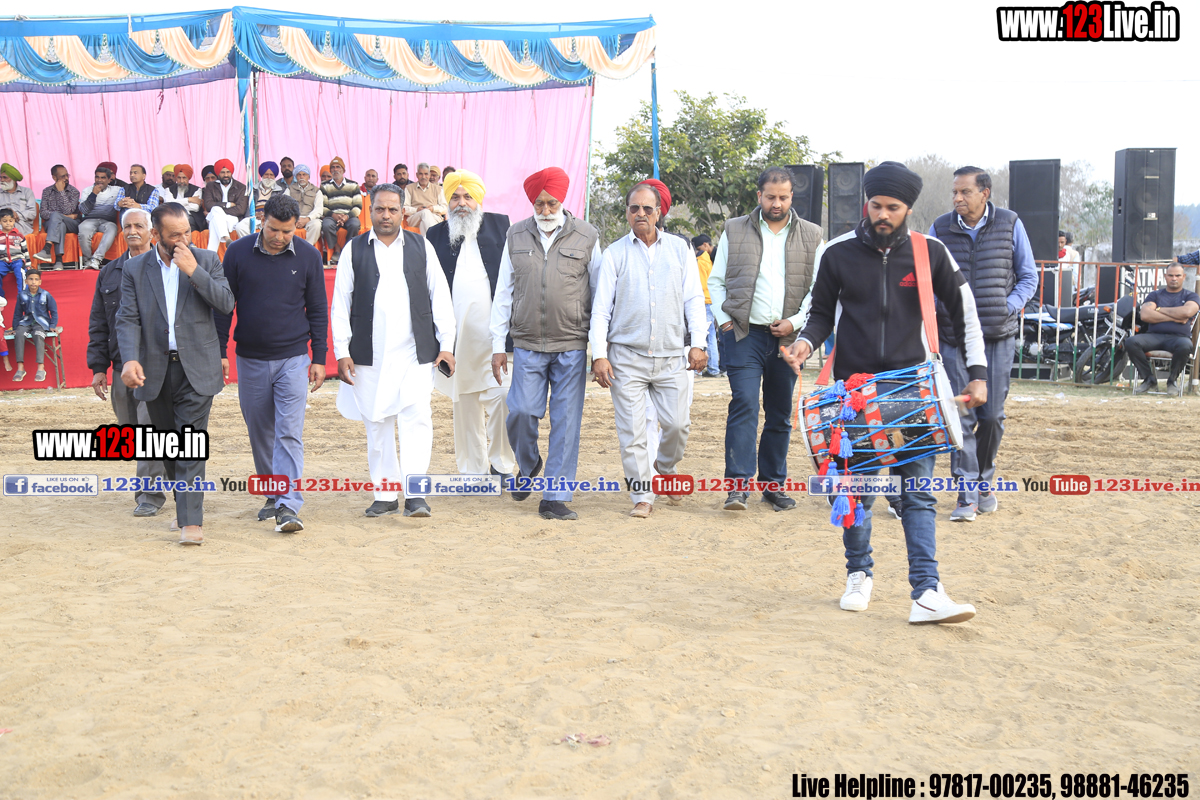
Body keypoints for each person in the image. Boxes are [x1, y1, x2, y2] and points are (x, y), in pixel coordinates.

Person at [784, 160, 985, 625]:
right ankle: (858, 573)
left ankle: (927, 592)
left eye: (892, 208)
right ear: (866, 203)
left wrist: (977, 373)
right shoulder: (836, 252)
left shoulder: (931, 252)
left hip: (913, 394)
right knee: (856, 492)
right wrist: (805, 343)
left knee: (918, 494)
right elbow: (820, 313)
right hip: (853, 395)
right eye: (876, 205)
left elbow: (965, 313)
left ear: (908, 208)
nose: (882, 214)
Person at [331, 183, 456, 518]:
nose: (385, 215)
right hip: (367, 355)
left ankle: (416, 494)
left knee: (417, 420)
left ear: (403, 211)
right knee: (377, 423)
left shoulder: (421, 246)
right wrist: (342, 351)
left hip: (415, 352)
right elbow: (340, 304)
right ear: (370, 211)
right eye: (379, 209)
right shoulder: (354, 249)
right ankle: (385, 494)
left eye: (392, 209)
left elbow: (440, 297)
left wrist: (446, 345)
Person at [116, 203, 235, 545]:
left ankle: (191, 521)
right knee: (168, 445)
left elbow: (226, 303)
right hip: (154, 370)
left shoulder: (207, 260)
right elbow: (128, 318)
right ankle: (185, 505)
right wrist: (129, 359)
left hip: (197, 367)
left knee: (190, 443)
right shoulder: (135, 268)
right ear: (156, 235)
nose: (183, 240)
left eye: (187, 233)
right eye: (174, 235)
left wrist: (194, 271)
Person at [708, 166, 823, 512]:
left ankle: (773, 487)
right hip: (743, 335)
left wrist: (795, 323)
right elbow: (716, 281)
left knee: (779, 413)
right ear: (759, 196)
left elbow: (818, 290)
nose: (777, 203)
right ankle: (737, 487)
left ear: (791, 197)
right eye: (770, 197)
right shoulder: (734, 229)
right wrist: (725, 323)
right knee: (744, 403)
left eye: (783, 197)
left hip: (789, 340)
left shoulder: (813, 235)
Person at [590, 182, 707, 518]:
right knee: (633, 433)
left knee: (678, 425)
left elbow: (693, 299)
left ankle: (665, 466)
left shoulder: (680, 249)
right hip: (626, 358)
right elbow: (601, 310)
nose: (640, 214)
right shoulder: (614, 254)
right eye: (634, 208)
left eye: (647, 208)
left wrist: (697, 344)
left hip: (671, 357)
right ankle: (643, 495)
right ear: (627, 213)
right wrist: (599, 355)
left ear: (658, 213)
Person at [490, 167, 601, 521]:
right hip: (527, 343)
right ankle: (529, 464)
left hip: (571, 343)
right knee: (521, 411)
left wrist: (599, 349)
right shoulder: (516, 235)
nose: (546, 209)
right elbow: (503, 291)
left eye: (552, 203)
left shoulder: (587, 235)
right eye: (539, 203)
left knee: (566, 422)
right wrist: (497, 344)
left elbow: (599, 294)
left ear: (562, 201)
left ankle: (554, 496)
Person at [929, 166, 1037, 521]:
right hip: (953, 337)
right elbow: (927, 277)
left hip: (997, 335)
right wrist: (941, 309)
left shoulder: (1010, 223)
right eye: (954, 192)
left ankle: (984, 482)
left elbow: (1028, 276)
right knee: (960, 414)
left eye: (965, 192)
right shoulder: (940, 228)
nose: (957, 198)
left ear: (984, 193)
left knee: (991, 416)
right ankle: (967, 495)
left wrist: (1009, 306)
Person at [215, 194, 328, 533]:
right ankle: (273, 492)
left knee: (288, 432)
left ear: (297, 227)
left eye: (287, 231)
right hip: (249, 359)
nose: (279, 237)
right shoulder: (237, 253)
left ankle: (288, 505)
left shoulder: (309, 256)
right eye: (273, 229)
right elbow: (224, 307)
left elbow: (317, 309)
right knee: (260, 431)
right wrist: (220, 351)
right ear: (261, 221)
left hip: (294, 358)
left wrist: (319, 357)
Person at [425, 170, 517, 482]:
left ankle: (502, 464)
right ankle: (473, 471)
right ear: (446, 201)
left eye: (468, 197)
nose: (462, 203)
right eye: (455, 197)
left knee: (502, 398)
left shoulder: (501, 226)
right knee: (463, 404)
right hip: (456, 340)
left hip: (495, 339)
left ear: (479, 199)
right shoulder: (435, 235)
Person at [86, 209, 168, 516]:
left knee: (149, 431)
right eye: (128, 226)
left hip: (156, 366)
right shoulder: (109, 273)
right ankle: (166, 471)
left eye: (139, 226)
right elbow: (99, 323)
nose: (133, 231)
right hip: (121, 367)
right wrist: (99, 368)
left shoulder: (166, 266)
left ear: (152, 232)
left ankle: (149, 494)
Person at [1125, 264, 1200, 394]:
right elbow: (1145, 315)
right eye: (1170, 275)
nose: (1174, 278)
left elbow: (1187, 312)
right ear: (1165, 276)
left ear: (1184, 277)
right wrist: (1176, 318)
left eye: (1177, 275)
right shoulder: (1155, 295)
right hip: (1154, 336)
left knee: (1185, 345)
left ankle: (1172, 381)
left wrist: (1158, 309)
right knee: (1131, 342)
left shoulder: (1191, 296)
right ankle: (1149, 379)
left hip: (1178, 338)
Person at [10, 268, 58, 383]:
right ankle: (20, 368)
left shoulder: (46, 294)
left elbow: (54, 311)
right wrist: (15, 328)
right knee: (19, 335)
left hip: (41, 323)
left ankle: (41, 368)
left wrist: (52, 325)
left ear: (40, 282)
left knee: (38, 334)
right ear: (26, 281)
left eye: (36, 279)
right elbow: (17, 313)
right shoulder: (22, 295)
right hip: (26, 322)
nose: (33, 282)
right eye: (31, 279)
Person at [32, 165, 81, 269]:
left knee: (56, 217)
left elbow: (69, 210)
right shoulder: (47, 191)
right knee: (60, 224)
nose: (66, 178)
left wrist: (61, 192)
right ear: (54, 178)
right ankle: (59, 261)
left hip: (72, 224)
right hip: (52, 224)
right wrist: (62, 216)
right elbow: (43, 213)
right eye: (63, 176)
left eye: (67, 175)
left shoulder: (74, 191)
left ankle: (47, 248)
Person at [78, 166, 123, 270]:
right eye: (97, 177)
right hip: (89, 220)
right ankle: (88, 260)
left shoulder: (116, 190)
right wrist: (93, 194)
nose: (99, 180)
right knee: (83, 231)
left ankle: (96, 260)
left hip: (107, 221)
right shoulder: (87, 190)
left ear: (109, 180)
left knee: (112, 229)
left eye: (103, 178)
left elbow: (129, 188)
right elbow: (84, 211)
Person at [320, 157, 361, 265]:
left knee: (355, 224)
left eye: (338, 167)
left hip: (349, 216)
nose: (335, 169)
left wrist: (347, 216)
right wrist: (333, 215)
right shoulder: (324, 186)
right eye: (333, 167)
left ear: (343, 170)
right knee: (326, 225)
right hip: (331, 216)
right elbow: (322, 207)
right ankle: (337, 249)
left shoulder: (353, 185)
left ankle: (347, 250)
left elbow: (358, 206)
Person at [202, 159, 248, 251]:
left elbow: (240, 209)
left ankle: (211, 253)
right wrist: (227, 204)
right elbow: (208, 205)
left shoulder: (241, 187)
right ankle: (226, 238)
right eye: (222, 172)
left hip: (233, 220)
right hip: (217, 219)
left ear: (231, 172)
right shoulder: (211, 186)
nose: (226, 175)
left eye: (228, 172)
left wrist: (219, 211)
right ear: (218, 173)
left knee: (215, 211)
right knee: (215, 211)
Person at [692, 234, 720, 377]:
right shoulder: (708, 260)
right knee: (711, 336)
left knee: (703, 336)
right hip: (711, 300)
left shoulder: (698, 262)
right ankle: (714, 367)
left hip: (703, 301)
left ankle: (710, 368)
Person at [234, 161, 284, 238]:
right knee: (240, 227)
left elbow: (282, 209)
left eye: (271, 175)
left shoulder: (281, 191)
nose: (269, 177)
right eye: (266, 174)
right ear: (262, 175)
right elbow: (247, 207)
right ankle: (252, 244)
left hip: (271, 218)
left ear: (275, 176)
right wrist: (254, 214)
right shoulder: (252, 189)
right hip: (254, 217)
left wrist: (267, 215)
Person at [402, 163, 447, 236]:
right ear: (417, 175)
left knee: (423, 222)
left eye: (426, 174)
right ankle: (433, 238)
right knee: (425, 212)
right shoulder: (409, 188)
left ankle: (426, 242)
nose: (423, 177)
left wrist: (432, 208)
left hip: (435, 217)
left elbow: (445, 208)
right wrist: (416, 210)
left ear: (429, 175)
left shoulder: (438, 189)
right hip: (415, 217)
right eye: (421, 174)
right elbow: (404, 208)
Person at [287, 164, 325, 247]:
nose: (301, 177)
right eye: (299, 175)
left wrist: (307, 219)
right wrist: (294, 218)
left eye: (304, 174)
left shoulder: (316, 191)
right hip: (293, 218)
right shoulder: (289, 189)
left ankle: (307, 247)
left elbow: (318, 209)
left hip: (309, 219)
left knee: (317, 225)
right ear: (296, 177)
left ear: (309, 177)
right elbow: (284, 206)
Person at [0, 207, 29, 301]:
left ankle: (22, 296)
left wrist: (28, 264)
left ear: (14, 221)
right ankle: (1, 297)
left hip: (17, 260)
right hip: (3, 261)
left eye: (11, 221)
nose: (8, 223)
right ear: (0, 222)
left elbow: (25, 250)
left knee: (20, 273)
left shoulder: (19, 235)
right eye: (5, 221)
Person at [0, 163, 37, 235]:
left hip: (21, 223)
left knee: (10, 228)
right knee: (4, 226)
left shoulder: (27, 192)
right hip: (1, 222)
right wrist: (6, 214)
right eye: (0, 178)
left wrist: (15, 215)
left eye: (5, 177)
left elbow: (32, 213)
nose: (2, 180)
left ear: (13, 180)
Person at [166, 164, 205, 232]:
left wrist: (174, 205)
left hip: (189, 217)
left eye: (184, 178)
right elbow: (168, 204)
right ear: (176, 178)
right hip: (172, 216)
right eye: (179, 178)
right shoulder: (168, 190)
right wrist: (189, 200)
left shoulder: (197, 190)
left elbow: (195, 208)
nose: (181, 181)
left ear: (188, 178)